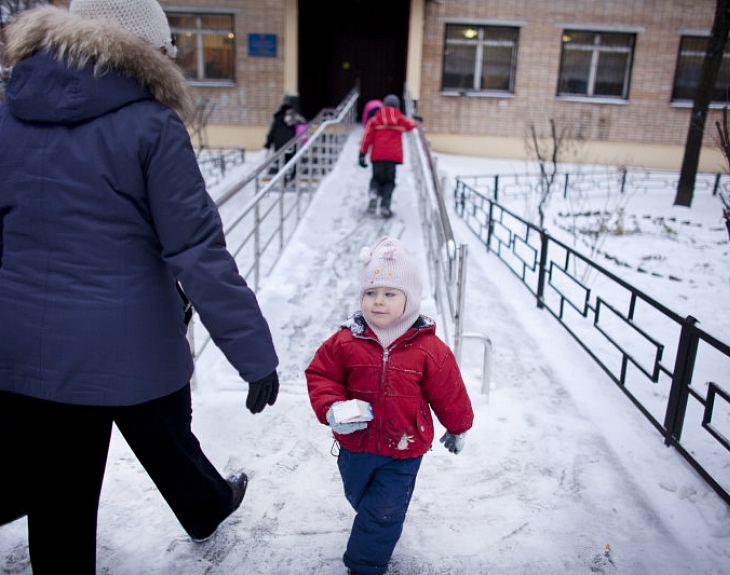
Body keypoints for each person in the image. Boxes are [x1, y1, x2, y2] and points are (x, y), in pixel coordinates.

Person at [0, 1, 280, 573]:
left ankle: (205, 505)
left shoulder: (9, 115)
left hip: (25, 346)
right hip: (132, 340)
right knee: (163, 427)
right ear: (144, 51)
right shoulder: (152, 125)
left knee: (61, 494)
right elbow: (197, 250)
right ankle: (206, 505)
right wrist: (254, 354)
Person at [305, 236, 474, 575]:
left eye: (389, 294)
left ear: (409, 300)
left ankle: (365, 564)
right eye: (371, 293)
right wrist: (332, 408)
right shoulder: (345, 341)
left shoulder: (428, 348)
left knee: (384, 511)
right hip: (356, 444)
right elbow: (321, 375)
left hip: (405, 447)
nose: (378, 302)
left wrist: (458, 426)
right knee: (360, 498)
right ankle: (373, 524)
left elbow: (449, 390)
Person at [358, 94, 418, 218]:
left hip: (377, 155)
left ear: (384, 105)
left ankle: (374, 193)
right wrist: (416, 120)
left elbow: (367, 136)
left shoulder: (375, 119)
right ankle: (385, 206)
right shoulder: (400, 119)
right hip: (393, 157)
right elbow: (410, 124)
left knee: (376, 178)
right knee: (389, 181)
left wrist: (362, 153)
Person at [265, 93, 307, 178]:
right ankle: (292, 176)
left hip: (279, 143)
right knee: (294, 159)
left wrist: (268, 143)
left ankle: (283, 178)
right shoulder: (297, 116)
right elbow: (303, 127)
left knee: (282, 161)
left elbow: (272, 131)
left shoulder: (278, 116)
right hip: (292, 142)